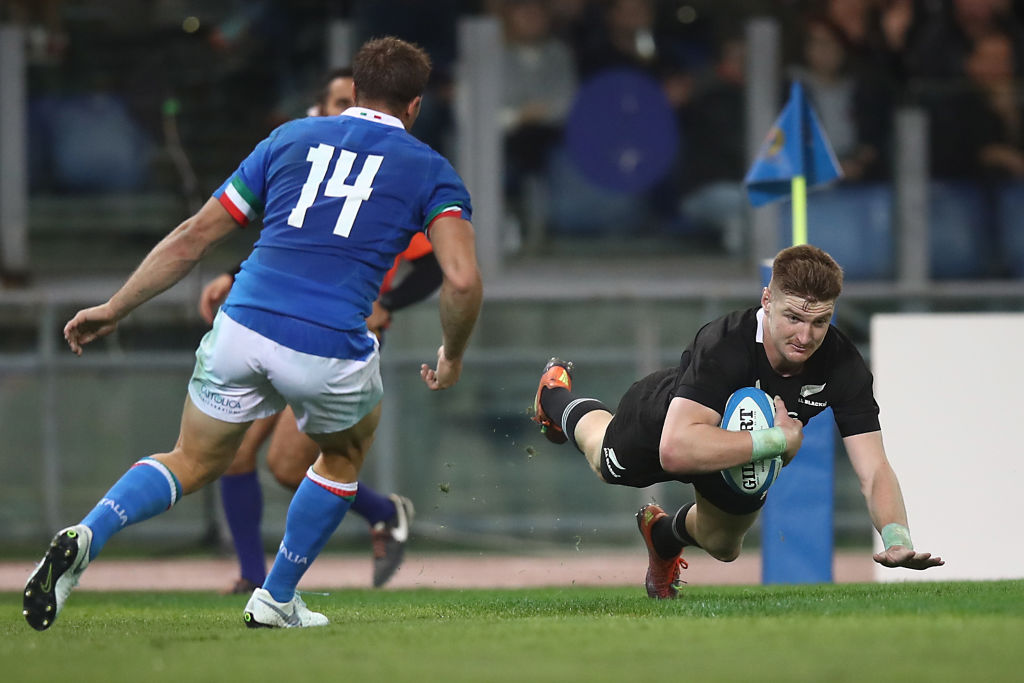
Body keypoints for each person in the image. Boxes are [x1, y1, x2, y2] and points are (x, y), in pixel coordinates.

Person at [23, 36, 483, 630]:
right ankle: (275, 598)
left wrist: (115, 306)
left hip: (240, 325)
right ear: (414, 105)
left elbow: (193, 237)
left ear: (356, 90)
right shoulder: (431, 170)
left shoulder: (287, 139)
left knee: (190, 459)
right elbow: (462, 281)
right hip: (328, 342)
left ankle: (88, 531)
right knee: (342, 455)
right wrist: (452, 354)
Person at [530, 244, 942, 599]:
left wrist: (896, 537)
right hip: (670, 421)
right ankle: (554, 397)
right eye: (794, 317)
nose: (806, 335)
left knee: (723, 547)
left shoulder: (843, 364)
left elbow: (874, 468)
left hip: (741, 455)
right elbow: (675, 451)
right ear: (767, 300)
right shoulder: (725, 341)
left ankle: (662, 536)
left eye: (820, 321)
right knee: (606, 462)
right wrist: (776, 441)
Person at [198, 67, 444, 595]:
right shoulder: (310, 161)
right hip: (279, 319)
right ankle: (252, 577)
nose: (342, 114)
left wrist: (388, 304)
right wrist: (232, 275)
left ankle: (381, 512)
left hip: (337, 331)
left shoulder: (387, 178)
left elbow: (434, 264)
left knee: (288, 466)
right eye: (333, 103)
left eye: (345, 102)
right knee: (235, 456)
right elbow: (285, 244)